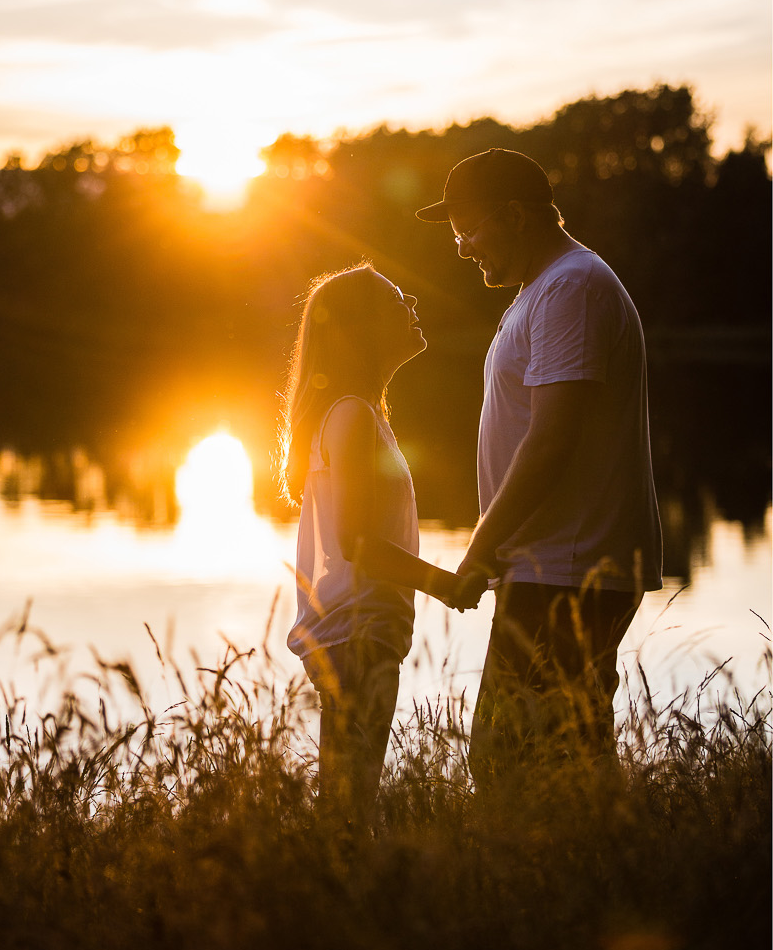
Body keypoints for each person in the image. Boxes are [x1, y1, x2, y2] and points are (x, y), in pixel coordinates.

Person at [416, 148, 661, 784]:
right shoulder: (545, 289)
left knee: (521, 765)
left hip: (572, 568)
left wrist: (481, 547)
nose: (463, 247)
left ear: (517, 216)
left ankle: (570, 879)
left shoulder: (569, 289)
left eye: (468, 230)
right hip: (550, 564)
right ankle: (587, 875)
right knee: (549, 759)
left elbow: (553, 439)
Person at [278, 262, 428, 815]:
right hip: (356, 630)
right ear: (362, 328)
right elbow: (356, 541)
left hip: (363, 629)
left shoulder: (360, 412)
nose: (411, 302)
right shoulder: (351, 415)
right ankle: (338, 893)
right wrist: (449, 584)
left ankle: (336, 888)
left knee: (348, 799)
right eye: (395, 299)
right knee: (348, 805)